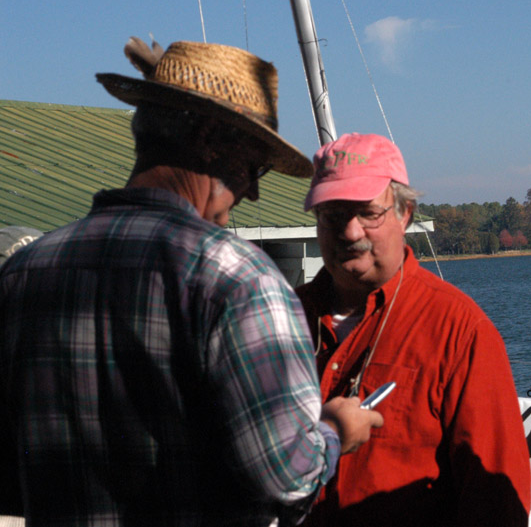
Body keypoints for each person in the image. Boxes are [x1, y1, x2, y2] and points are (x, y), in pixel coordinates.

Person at [0, 38, 383, 526]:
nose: (253, 190)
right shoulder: (237, 279)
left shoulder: (23, 272)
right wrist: (334, 431)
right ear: (209, 140)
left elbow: (10, 478)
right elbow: (288, 477)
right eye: (254, 167)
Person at [295, 132, 531, 527]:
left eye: (368, 213)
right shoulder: (278, 318)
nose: (350, 232)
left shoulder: (460, 330)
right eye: (333, 214)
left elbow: (496, 502)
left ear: (405, 213)